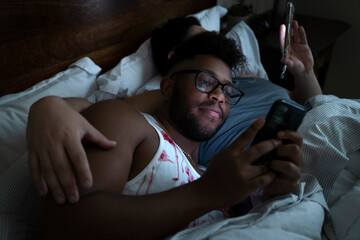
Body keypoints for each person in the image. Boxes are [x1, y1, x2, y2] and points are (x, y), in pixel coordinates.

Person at [37, 32, 304, 239]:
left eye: (227, 91)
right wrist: (207, 192)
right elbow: (61, 228)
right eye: (205, 81)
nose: (219, 97)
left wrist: (272, 195)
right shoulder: (125, 120)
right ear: (167, 86)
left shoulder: (206, 170)